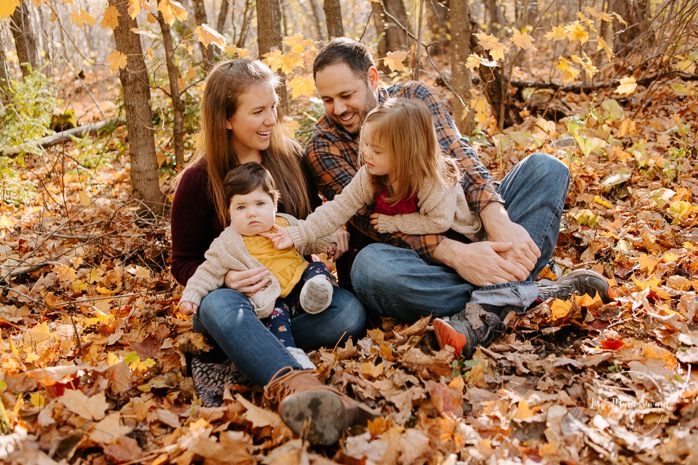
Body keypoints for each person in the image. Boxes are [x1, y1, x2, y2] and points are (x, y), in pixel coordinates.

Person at [305, 38, 612, 360]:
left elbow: (461, 160)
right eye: (327, 100)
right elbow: (376, 224)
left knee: (546, 168)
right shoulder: (324, 146)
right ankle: (535, 293)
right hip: (419, 260)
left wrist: (498, 222)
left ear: (372, 78)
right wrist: (457, 256)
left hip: (469, 224)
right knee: (370, 268)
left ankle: (486, 310)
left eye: (346, 95)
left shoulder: (415, 98)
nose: (338, 109)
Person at [171, 59, 374, 445]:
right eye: (258, 111)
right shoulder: (198, 181)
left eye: (274, 107)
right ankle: (297, 387)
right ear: (227, 119)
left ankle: (247, 356)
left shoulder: (290, 158)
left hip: (293, 300)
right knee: (217, 306)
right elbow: (183, 261)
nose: (271, 119)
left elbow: (315, 220)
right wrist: (228, 278)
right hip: (239, 306)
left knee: (349, 312)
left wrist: (334, 235)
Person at [266, 97, 483, 252]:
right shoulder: (370, 175)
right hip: (419, 253)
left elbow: (440, 223)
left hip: (461, 240)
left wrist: (393, 222)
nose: (366, 153)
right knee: (371, 263)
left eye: (377, 150)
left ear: (407, 155)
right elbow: (338, 208)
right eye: (366, 144)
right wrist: (297, 234)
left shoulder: (434, 178)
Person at [179, 162, 339, 370]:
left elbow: (310, 237)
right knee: (276, 321)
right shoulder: (227, 243)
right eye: (241, 207)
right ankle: (290, 355)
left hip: (303, 289)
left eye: (259, 204)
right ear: (229, 211)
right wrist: (191, 296)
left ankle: (318, 291)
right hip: (273, 300)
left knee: (317, 270)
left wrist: (329, 242)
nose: (251, 213)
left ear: (274, 203)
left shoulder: (286, 223)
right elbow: (206, 272)